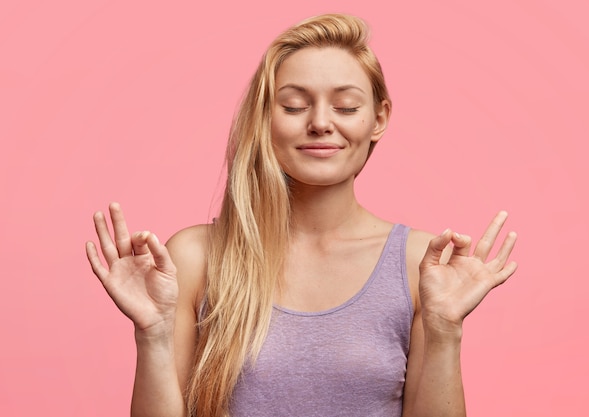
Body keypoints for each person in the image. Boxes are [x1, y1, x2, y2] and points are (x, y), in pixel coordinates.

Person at [86, 13, 517, 417]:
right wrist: (152, 335)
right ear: (264, 118)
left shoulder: (419, 263)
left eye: (346, 107)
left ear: (378, 119)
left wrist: (444, 331)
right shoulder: (195, 256)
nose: (321, 123)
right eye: (293, 106)